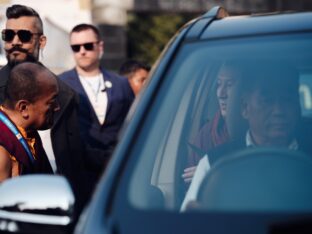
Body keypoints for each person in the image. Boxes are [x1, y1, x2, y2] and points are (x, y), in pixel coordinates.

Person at [0, 4, 90, 216]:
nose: (14, 42)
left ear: (41, 41)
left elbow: (74, 161)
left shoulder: (66, 94)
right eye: (8, 34)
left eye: (23, 35)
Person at [181, 62, 306, 211]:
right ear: (245, 107)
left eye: (287, 99)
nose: (278, 110)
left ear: (298, 105)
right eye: (267, 101)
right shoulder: (214, 165)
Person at [59, 23, 134, 182]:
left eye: (87, 46)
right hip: (77, 172)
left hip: (117, 169)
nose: (82, 51)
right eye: (76, 47)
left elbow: (131, 123)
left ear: (100, 46)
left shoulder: (121, 83)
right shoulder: (61, 84)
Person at [182, 63, 242, 183]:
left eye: (230, 85)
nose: (221, 94)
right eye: (219, 84)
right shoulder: (206, 134)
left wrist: (214, 175)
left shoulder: (264, 132)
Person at [0, 62, 59, 182]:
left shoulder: (28, 131)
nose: (57, 107)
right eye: (51, 102)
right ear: (23, 108)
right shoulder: (2, 150)